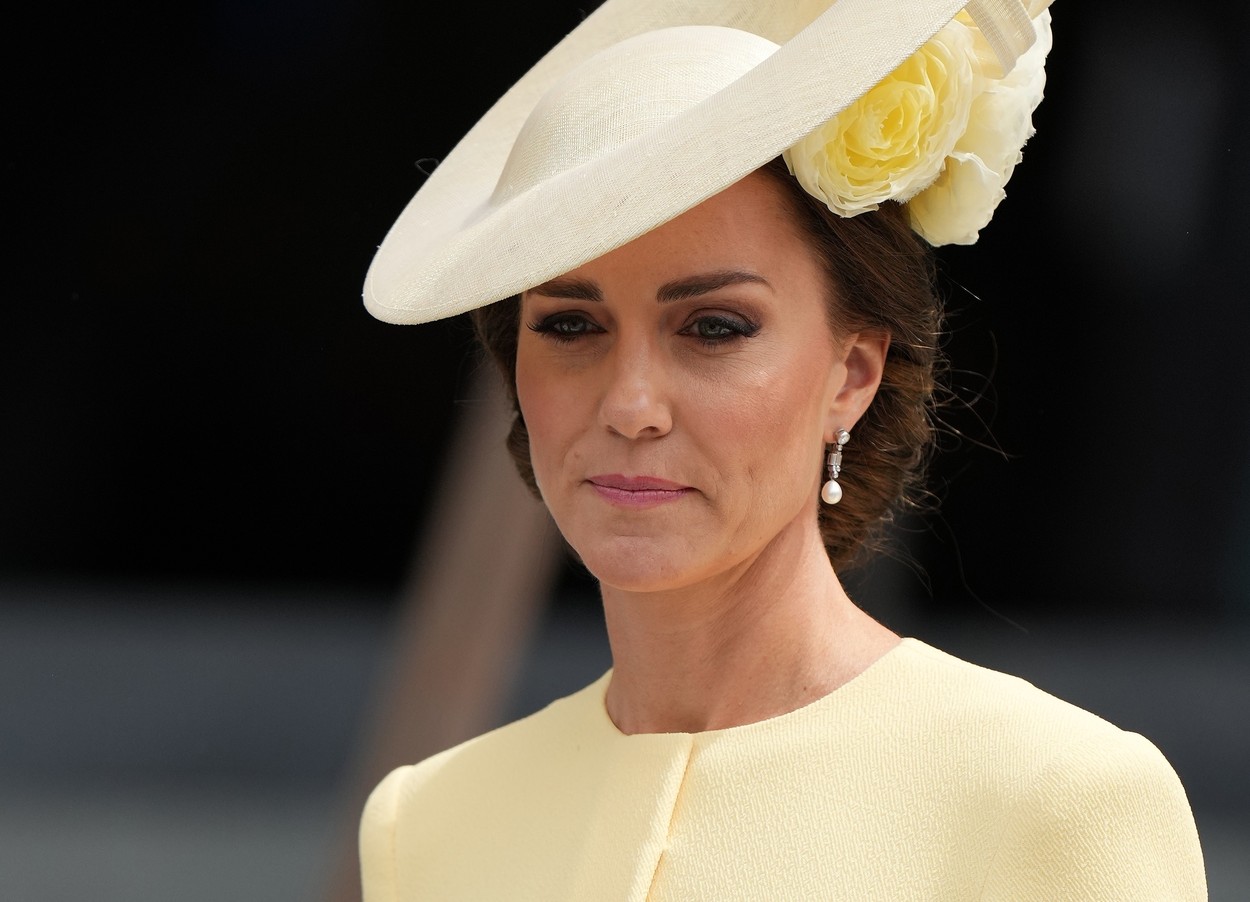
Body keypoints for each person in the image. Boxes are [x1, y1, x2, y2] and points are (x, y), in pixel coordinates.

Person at [357, 0, 1207, 898]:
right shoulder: (427, 826)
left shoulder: (1052, 802)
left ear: (852, 374)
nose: (631, 405)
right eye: (571, 325)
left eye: (714, 327)